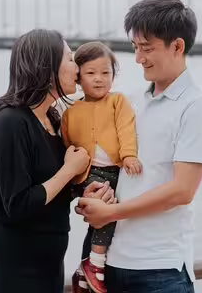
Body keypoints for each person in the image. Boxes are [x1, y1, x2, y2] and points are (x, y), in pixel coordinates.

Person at [77, 0, 202, 293]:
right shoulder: (132, 103)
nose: (139, 57)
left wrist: (111, 213)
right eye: (136, 48)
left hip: (159, 270)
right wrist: (93, 193)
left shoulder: (197, 106)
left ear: (177, 46)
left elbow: (183, 191)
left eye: (147, 48)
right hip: (111, 264)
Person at [0, 29, 115, 293]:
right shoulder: (10, 123)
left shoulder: (53, 120)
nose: (78, 67)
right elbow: (17, 204)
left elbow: (47, 187)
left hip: (50, 263)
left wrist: (82, 191)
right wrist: (68, 171)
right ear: (46, 65)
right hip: (13, 264)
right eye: (69, 58)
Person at [61, 41, 142, 293]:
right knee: (105, 207)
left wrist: (128, 155)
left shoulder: (118, 102)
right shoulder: (70, 112)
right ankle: (95, 264)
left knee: (110, 213)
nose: (99, 79)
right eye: (91, 73)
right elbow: (67, 145)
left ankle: (85, 270)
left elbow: (126, 128)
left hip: (116, 170)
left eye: (105, 73)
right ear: (78, 77)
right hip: (87, 174)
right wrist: (75, 181)